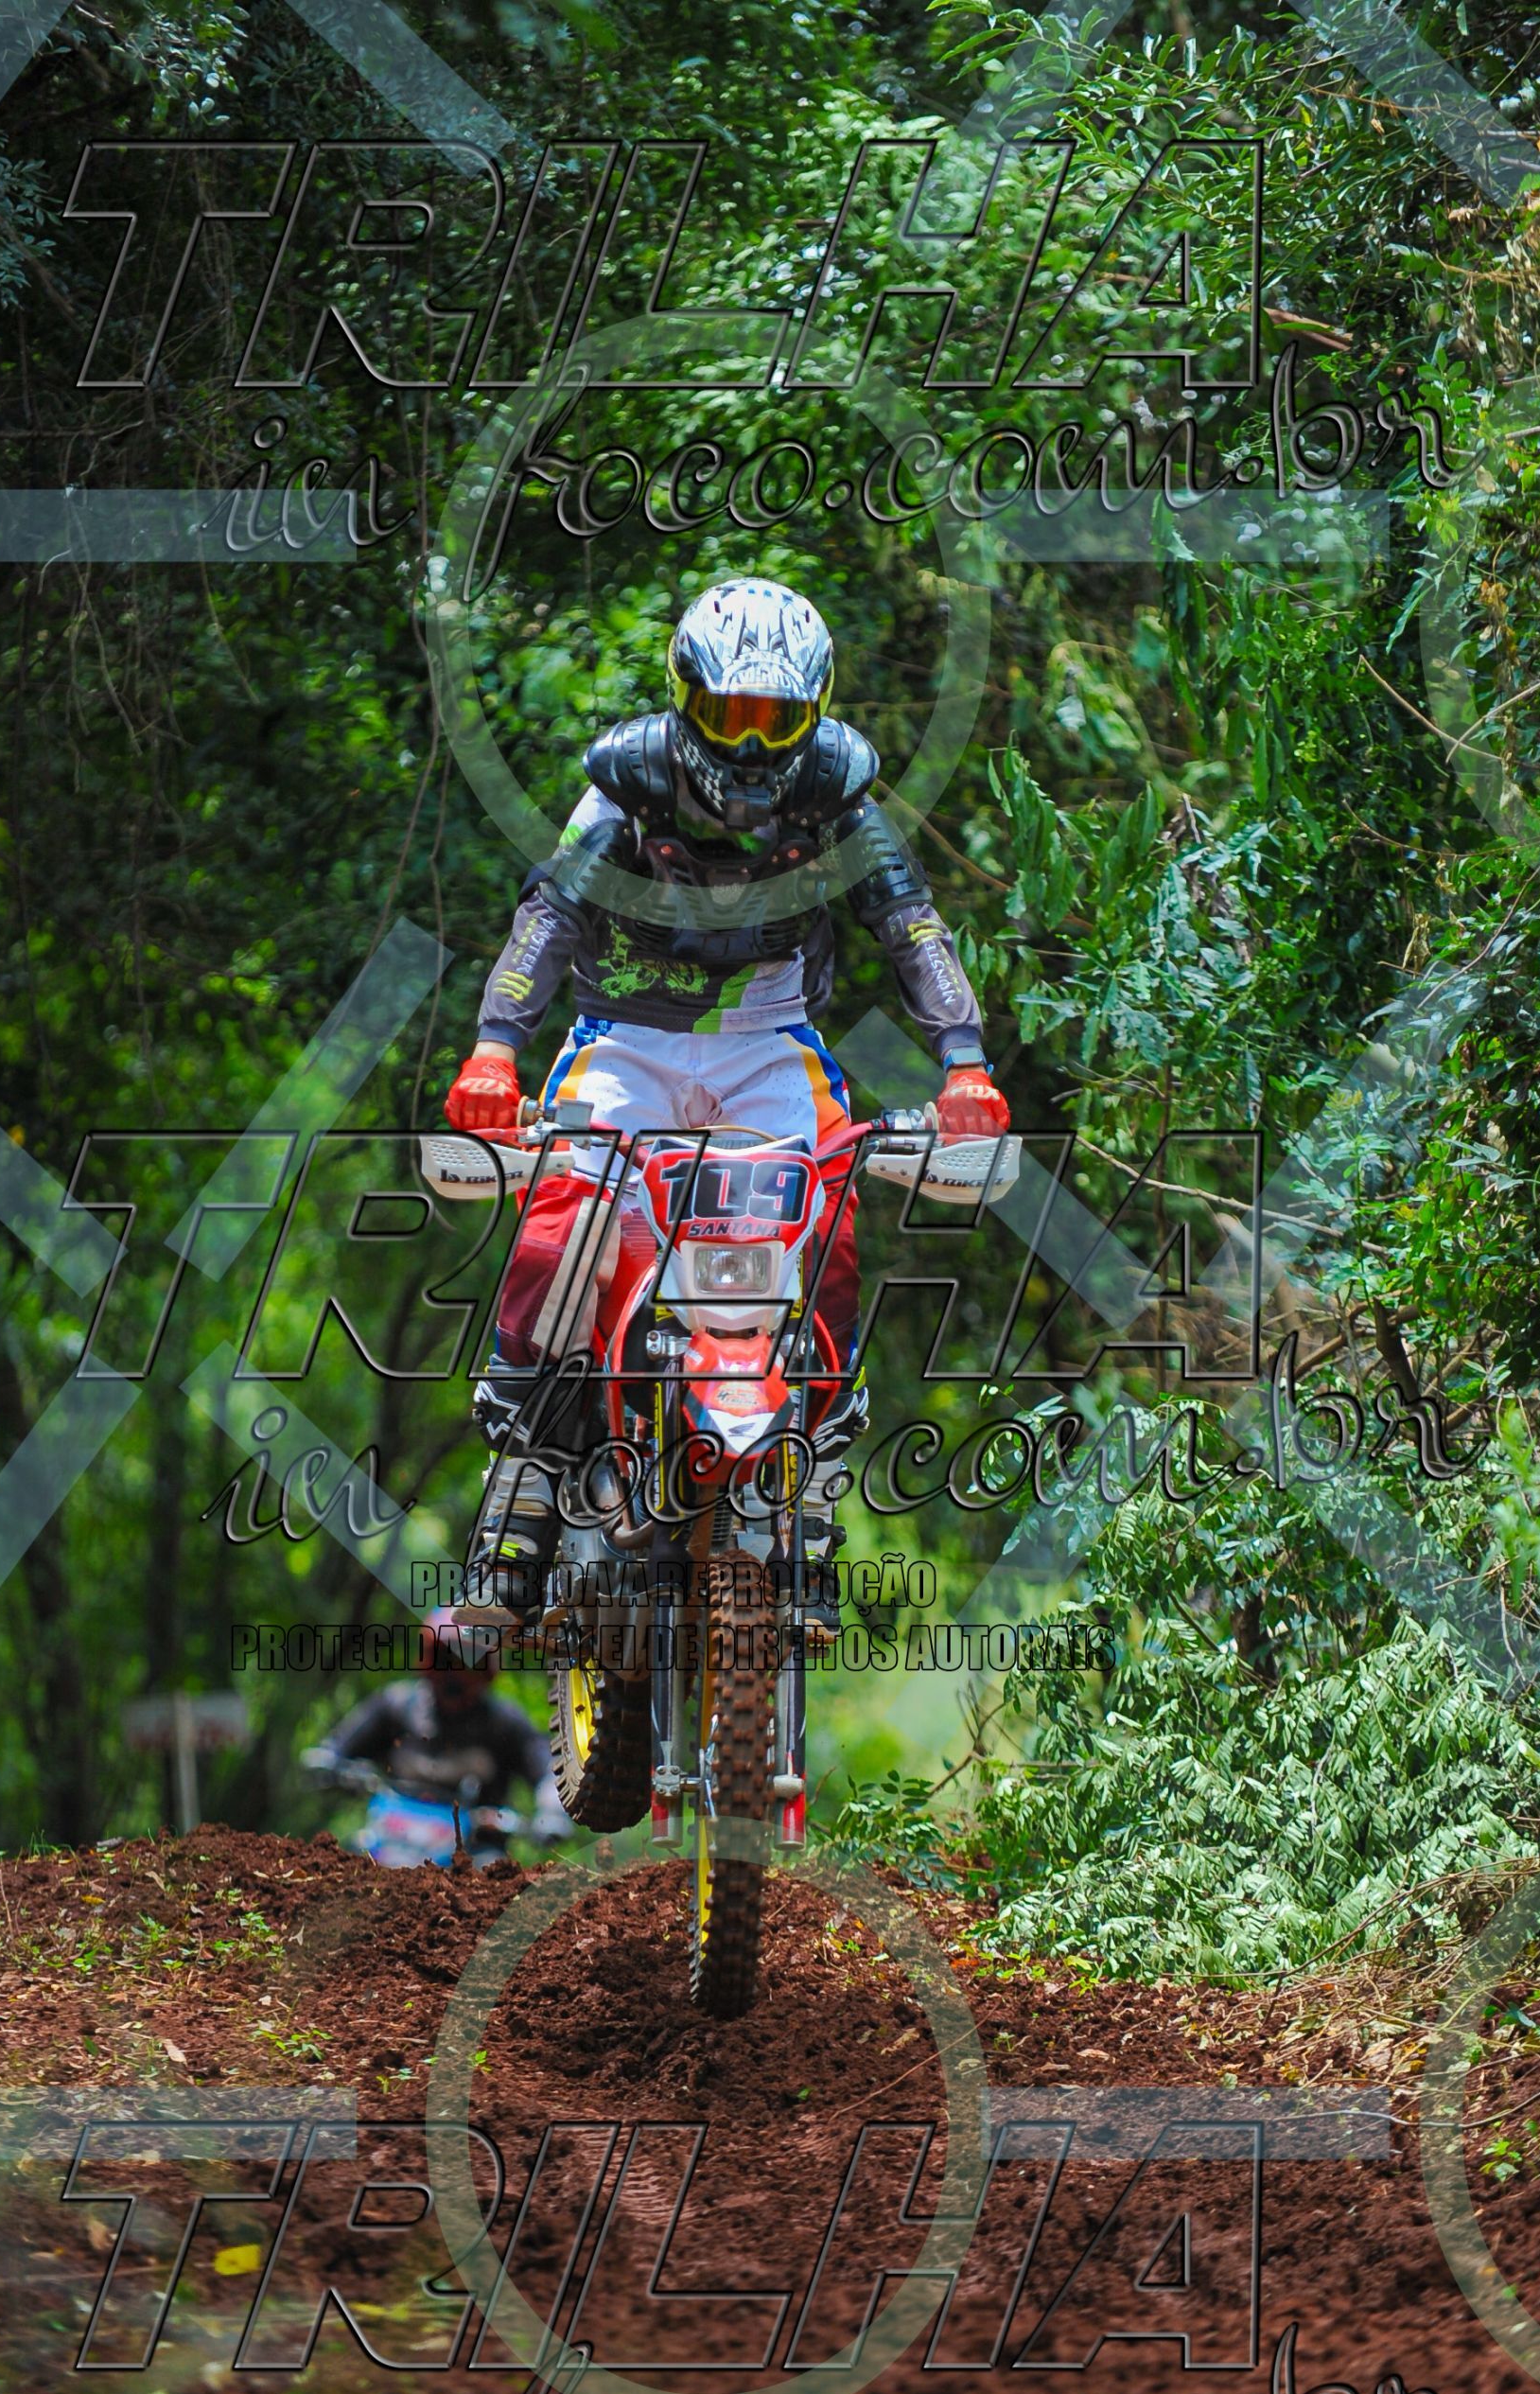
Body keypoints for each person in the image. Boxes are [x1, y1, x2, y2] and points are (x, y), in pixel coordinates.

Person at [444, 576, 1009, 1625]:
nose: (749, 747)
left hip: (768, 1045)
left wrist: (965, 1062)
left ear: (815, 714)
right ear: (684, 699)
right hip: (623, 1041)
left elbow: (910, 922)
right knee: (563, 1226)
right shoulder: (624, 784)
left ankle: (812, 1496)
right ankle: (517, 1509)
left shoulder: (839, 792)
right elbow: (548, 915)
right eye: (729, 714)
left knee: (827, 1220)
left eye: (775, 720)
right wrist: (492, 1051)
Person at [301, 1609, 570, 1849]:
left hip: (475, 1853)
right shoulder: (395, 1706)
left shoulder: (504, 1723)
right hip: (390, 1837)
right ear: (429, 1660)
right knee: (347, 1861)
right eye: (447, 1658)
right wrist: (328, 1762)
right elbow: (339, 1746)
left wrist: (551, 1811)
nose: (455, 1673)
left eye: (468, 1662)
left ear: (486, 1669)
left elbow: (548, 1769)